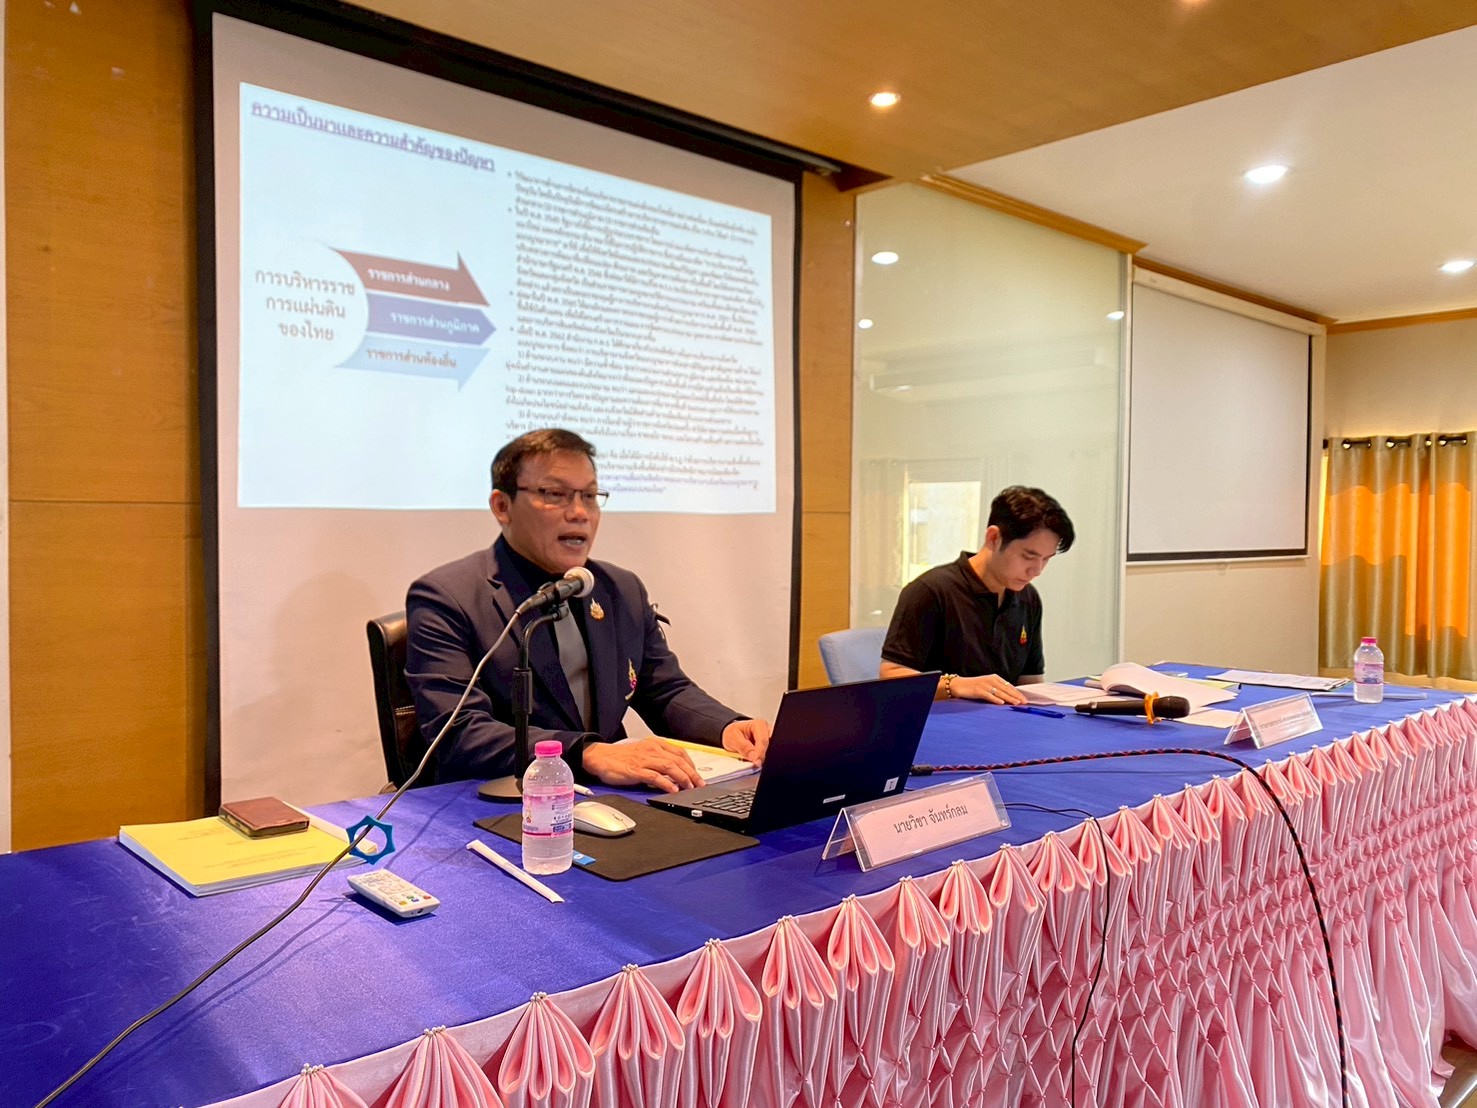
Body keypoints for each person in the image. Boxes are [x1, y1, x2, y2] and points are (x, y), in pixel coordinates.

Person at [405, 428, 771, 792]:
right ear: (502, 506)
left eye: (590, 496)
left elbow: (665, 690)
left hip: (608, 796)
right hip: (499, 800)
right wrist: (586, 753)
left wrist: (726, 728)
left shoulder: (619, 589)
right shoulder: (447, 597)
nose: (580, 513)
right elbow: (458, 731)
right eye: (555, 494)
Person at [879, 485, 1074, 704]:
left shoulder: (1028, 598)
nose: (1037, 570)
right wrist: (955, 685)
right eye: (1028, 556)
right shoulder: (931, 591)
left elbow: (1029, 680)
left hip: (1002, 719)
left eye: (1046, 559)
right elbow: (891, 675)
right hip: (939, 719)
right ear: (994, 537)